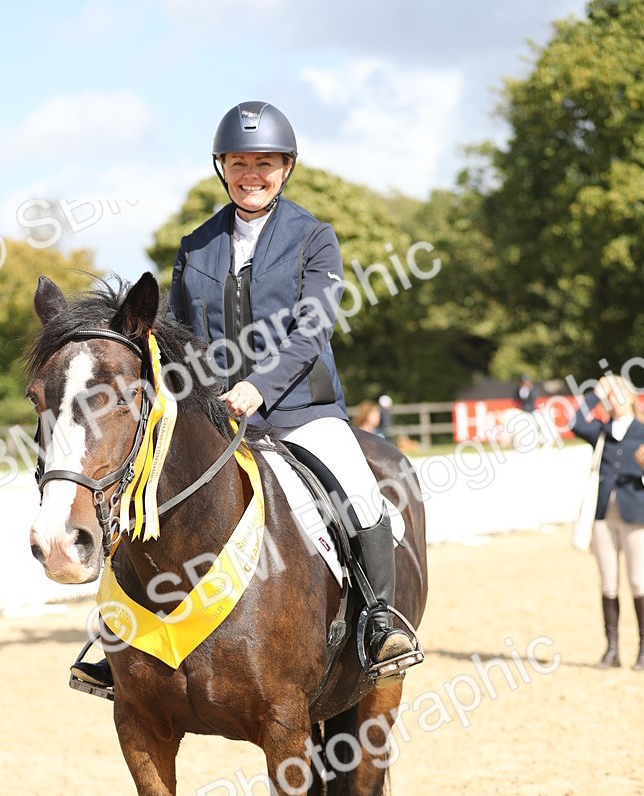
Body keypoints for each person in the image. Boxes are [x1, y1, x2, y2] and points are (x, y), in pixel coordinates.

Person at [72, 100, 421, 696]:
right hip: (212, 416)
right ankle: (118, 637)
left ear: (285, 168)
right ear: (222, 168)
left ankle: (379, 623)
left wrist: (259, 387)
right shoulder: (196, 245)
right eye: (239, 163)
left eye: (264, 163)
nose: (250, 175)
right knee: (137, 491)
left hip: (301, 411)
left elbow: (312, 330)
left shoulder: (315, 238)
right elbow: (175, 333)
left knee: (360, 494)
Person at [571, 374, 644, 671]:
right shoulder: (601, 431)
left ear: (631, 398)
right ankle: (612, 649)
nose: (614, 399)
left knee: (638, 581)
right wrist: (596, 392)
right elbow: (575, 422)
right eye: (611, 395)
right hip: (604, 515)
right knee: (608, 584)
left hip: (637, 517)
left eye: (620, 393)